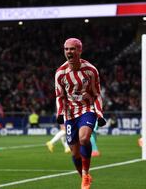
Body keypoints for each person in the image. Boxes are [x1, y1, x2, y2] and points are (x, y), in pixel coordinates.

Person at [55, 38, 106, 189]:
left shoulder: (91, 70)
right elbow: (60, 96)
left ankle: (85, 172)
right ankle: (84, 176)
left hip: (87, 109)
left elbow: (97, 94)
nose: (69, 52)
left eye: (72, 49)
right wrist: (60, 113)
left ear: (79, 51)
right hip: (70, 114)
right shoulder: (60, 73)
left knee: (84, 139)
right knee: (75, 153)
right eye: (66, 49)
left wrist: (99, 114)